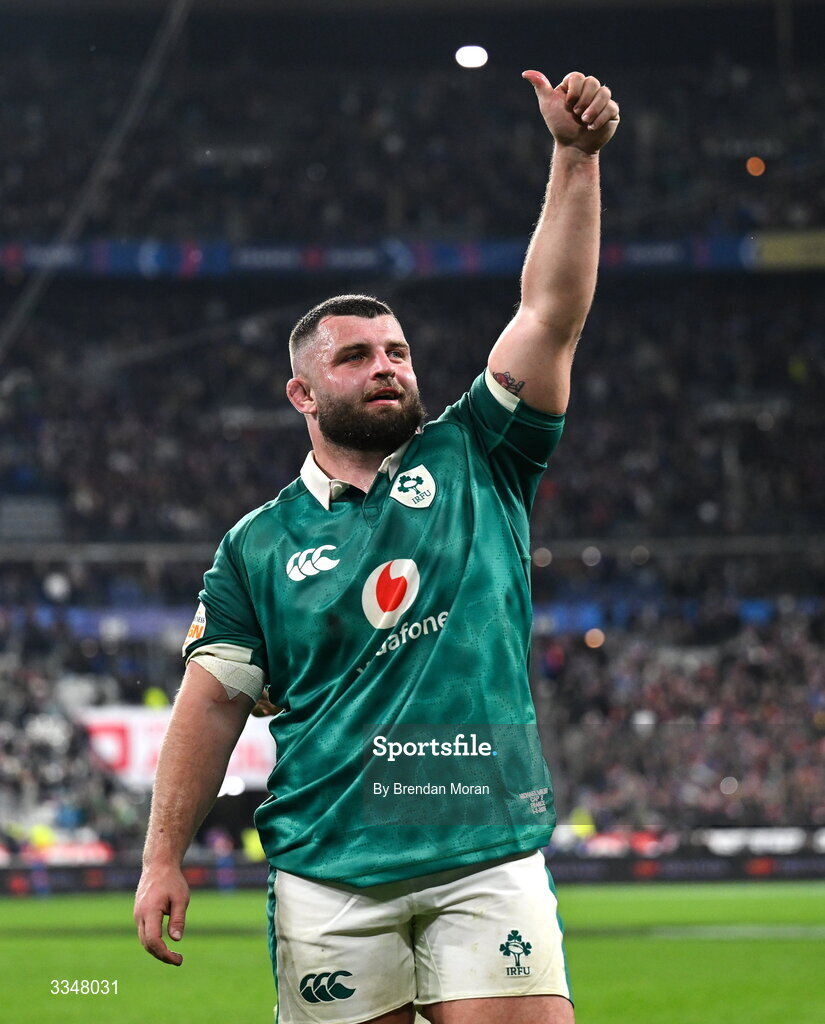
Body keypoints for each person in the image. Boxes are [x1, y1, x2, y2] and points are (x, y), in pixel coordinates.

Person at [134, 69, 620, 1024]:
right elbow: (209, 706)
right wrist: (162, 858)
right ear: (303, 396)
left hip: (485, 850)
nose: (385, 366)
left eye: (395, 351)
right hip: (329, 871)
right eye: (354, 357)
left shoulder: (481, 449)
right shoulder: (255, 547)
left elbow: (549, 312)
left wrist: (573, 160)